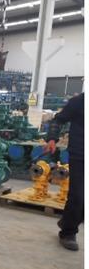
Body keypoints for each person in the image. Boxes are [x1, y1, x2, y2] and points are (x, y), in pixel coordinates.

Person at [44, 92, 84, 251]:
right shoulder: (79, 102)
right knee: (78, 196)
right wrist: (52, 139)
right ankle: (68, 232)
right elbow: (57, 120)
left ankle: (67, 222)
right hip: (80, 155)